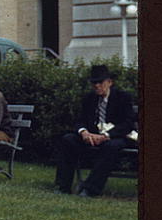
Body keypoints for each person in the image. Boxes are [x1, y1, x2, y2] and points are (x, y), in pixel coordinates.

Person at [53, 64, 135, 197]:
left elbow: (128, 124)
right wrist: (83, 132)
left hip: (115, 137)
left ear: (109, 82)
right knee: (68, 140)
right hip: (92, 136)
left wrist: (106, 135)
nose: (97, 86)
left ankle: (90, 189)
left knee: (111, 147)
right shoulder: (89, 98)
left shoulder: (123, 97)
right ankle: (62, 186)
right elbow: (80, 120)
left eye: (100, 82)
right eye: (94, 83)